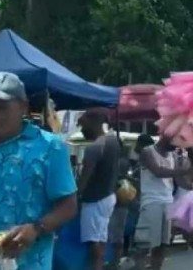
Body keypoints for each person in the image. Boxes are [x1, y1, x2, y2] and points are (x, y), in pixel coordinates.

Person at [0, 72, 78, 268]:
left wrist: (36, 229)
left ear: (23, 106)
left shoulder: (49, 147)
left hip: (25, 262)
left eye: (1, 107)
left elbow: (68, 206)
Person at [134, 134, 192, 270]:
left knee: (163, 245)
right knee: (145, 243)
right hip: (151, 201)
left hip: (168, 201)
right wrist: (181, 170)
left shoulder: (173, 156)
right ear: (166, 136)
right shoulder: (147, 151)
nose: (176, 146)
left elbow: (179, 180)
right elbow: (158, 171)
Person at [77, 109, 122, 270]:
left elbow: (84, 179)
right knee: (101, 239)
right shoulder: (113, 142)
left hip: (94, 199)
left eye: (83, 125)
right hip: (109, 196)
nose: (81, 130)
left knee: (93, 243)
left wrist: (76, 197)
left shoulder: (94, 148)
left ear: (93, 122)